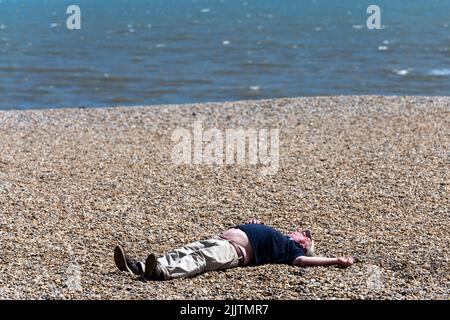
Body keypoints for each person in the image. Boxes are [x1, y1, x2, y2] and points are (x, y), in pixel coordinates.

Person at [114, 218, 354, 281]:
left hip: (234, 252)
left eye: (304, 235)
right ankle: (138, 266)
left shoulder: (291, 250)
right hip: (221, 239)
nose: (300, 232)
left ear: (304, 243)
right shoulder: (280, 237)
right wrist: (252, 225)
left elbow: (304, 262)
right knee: (183, 250)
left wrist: (334, 260)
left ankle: (161, 273)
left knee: (199, 259)